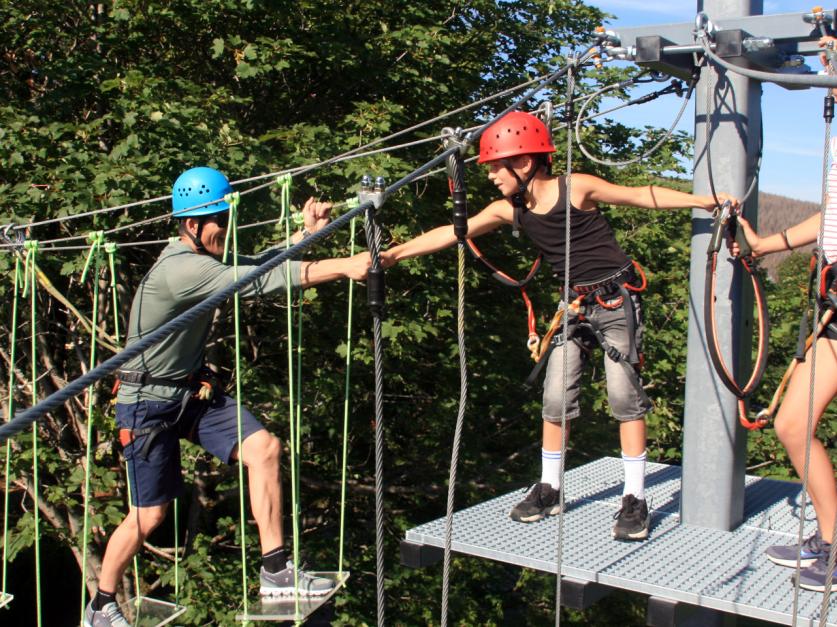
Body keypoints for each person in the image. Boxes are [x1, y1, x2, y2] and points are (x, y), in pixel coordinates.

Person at [380, 111, 736, 541]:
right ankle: (549, 487)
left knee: (623, 396)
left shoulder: (577, 188)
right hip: (575, 308)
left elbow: (641, 196)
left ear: (525, 164)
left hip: (615, 301)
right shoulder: (510, 210)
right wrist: (394, 255)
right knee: (554, 395)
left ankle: (635, 497)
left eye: (495, 166)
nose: (491, 176)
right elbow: (453, 231)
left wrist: (703, 201)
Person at [84, 166, 370, 627]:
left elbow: (256, 266)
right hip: (146, 404)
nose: (226, 226)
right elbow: (257, 283)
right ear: (193, 225)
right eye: (219, 217)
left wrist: (308, 234)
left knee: (265, 448)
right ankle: (101, 603)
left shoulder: (202, 259)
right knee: (149, 515)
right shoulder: (181, 269)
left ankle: (275, 573)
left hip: (189, 393)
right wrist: (343, 266)